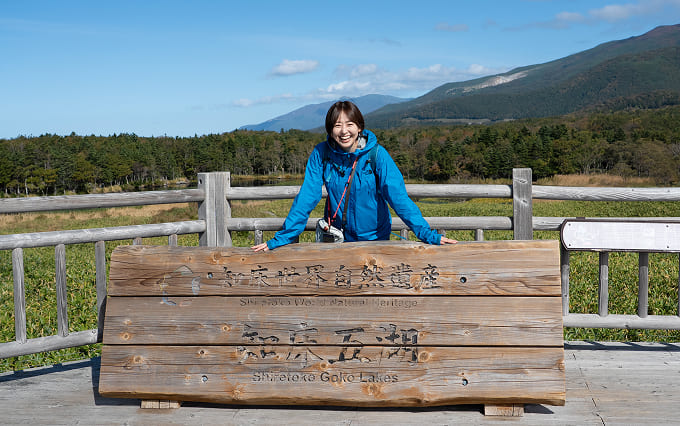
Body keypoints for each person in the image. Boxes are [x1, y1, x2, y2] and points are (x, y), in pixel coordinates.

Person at [251, 100, 457, 252]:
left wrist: (426, 234)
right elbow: (307, 197)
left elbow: (399, 198)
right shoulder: (321, 154)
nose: (344, 131)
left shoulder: (377, 155)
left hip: (375, 241)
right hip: (336, 240)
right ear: (330, 130)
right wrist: (283, 238)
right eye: (337, 125)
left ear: (359, 127)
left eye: (349, 124)